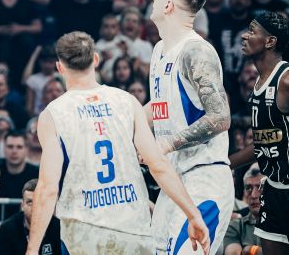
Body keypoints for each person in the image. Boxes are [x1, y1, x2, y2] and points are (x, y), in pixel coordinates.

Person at [26, 31, 211, 255]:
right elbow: (158, 165)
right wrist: (193, 214)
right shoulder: (126, 101)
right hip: (132, 230)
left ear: (60, 67)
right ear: (96, 59)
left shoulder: (53, 114)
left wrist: (32, 249)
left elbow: (47, 188)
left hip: (84, 232)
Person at [148, 0, 234, 254]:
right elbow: (158, 105)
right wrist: (123, 124)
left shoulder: (196, 51)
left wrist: (166, 144)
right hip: (173, 182)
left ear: (168, 5)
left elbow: (220, 117)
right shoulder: (159, 49)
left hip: (203, 178)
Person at [229, 11, 289, 253]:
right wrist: (224, 164)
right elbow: (264, 143)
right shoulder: (259, 82)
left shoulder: (285, 80)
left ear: (270, 41)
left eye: (252, 31)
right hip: (273, 188)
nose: (244, 36)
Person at [0, 179, 60, 255]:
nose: (35, 208)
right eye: (30, 202)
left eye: (39, 202)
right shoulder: (7, 229)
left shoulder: (58, 228)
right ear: (22, 206)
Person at [222, 164, 264, 255]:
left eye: (260, 187)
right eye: (248, 188)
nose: (253, 195)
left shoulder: (284, 224)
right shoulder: (235, 226)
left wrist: (249, 250)